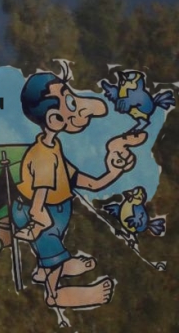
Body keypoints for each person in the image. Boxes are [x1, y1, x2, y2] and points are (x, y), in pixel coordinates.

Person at [12, 72, 146, 311]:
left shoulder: (53, 147)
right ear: (53, 119)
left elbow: (84, 181)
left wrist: (112, 172)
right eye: (70, 101)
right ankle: (55, 295)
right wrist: (41, 221)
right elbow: (37, 202)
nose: (81, 107)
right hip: (43, 213)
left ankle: (44, 270)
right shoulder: (42, 156)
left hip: (57, 209)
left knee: (49, 251)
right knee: (51, 251)